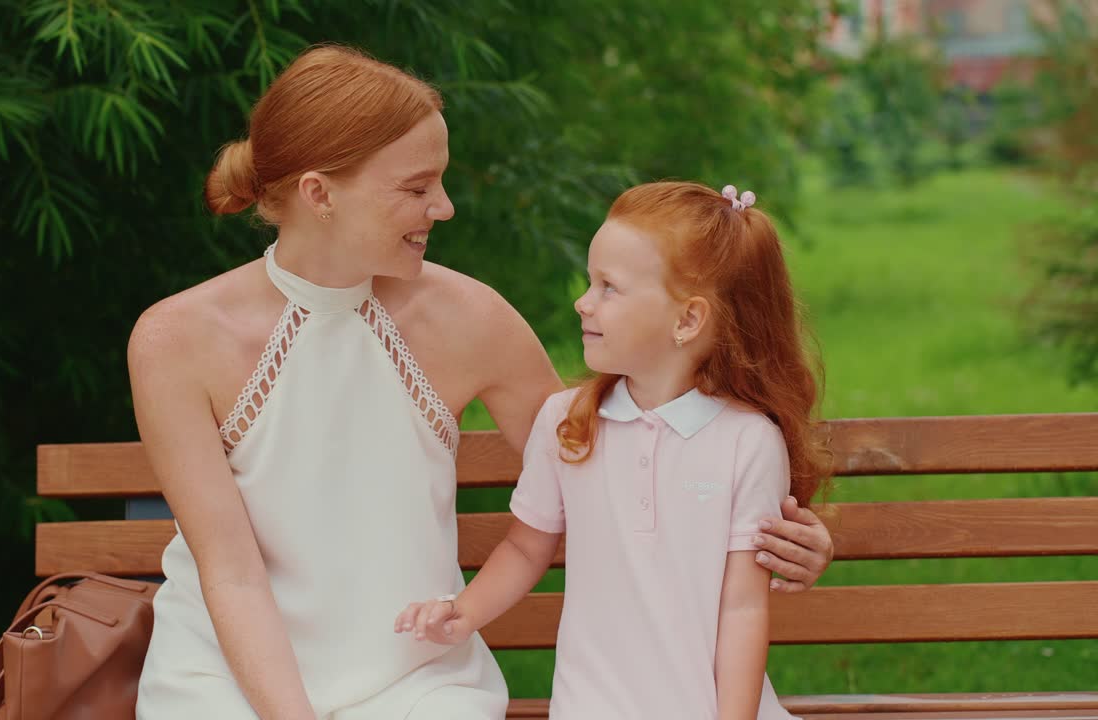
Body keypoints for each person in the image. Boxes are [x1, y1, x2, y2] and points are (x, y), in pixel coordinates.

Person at [128, 44, 834, 719]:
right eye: (416, 187)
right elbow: (232, 573)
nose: (445, 207)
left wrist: (782, 541)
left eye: (440, 180)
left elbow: (612, 470)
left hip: (417, 682)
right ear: (320, 194)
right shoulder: (176, 341)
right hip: (226, 679)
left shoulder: (470, 318)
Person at [395, 181, 832, 719]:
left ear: (687, 320)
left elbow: (741, 607)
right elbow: (526, 549)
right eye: (589, 281)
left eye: (608, 287)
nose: (583, 301)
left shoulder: (747, 441)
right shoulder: (568, 423)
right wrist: (463, 613)